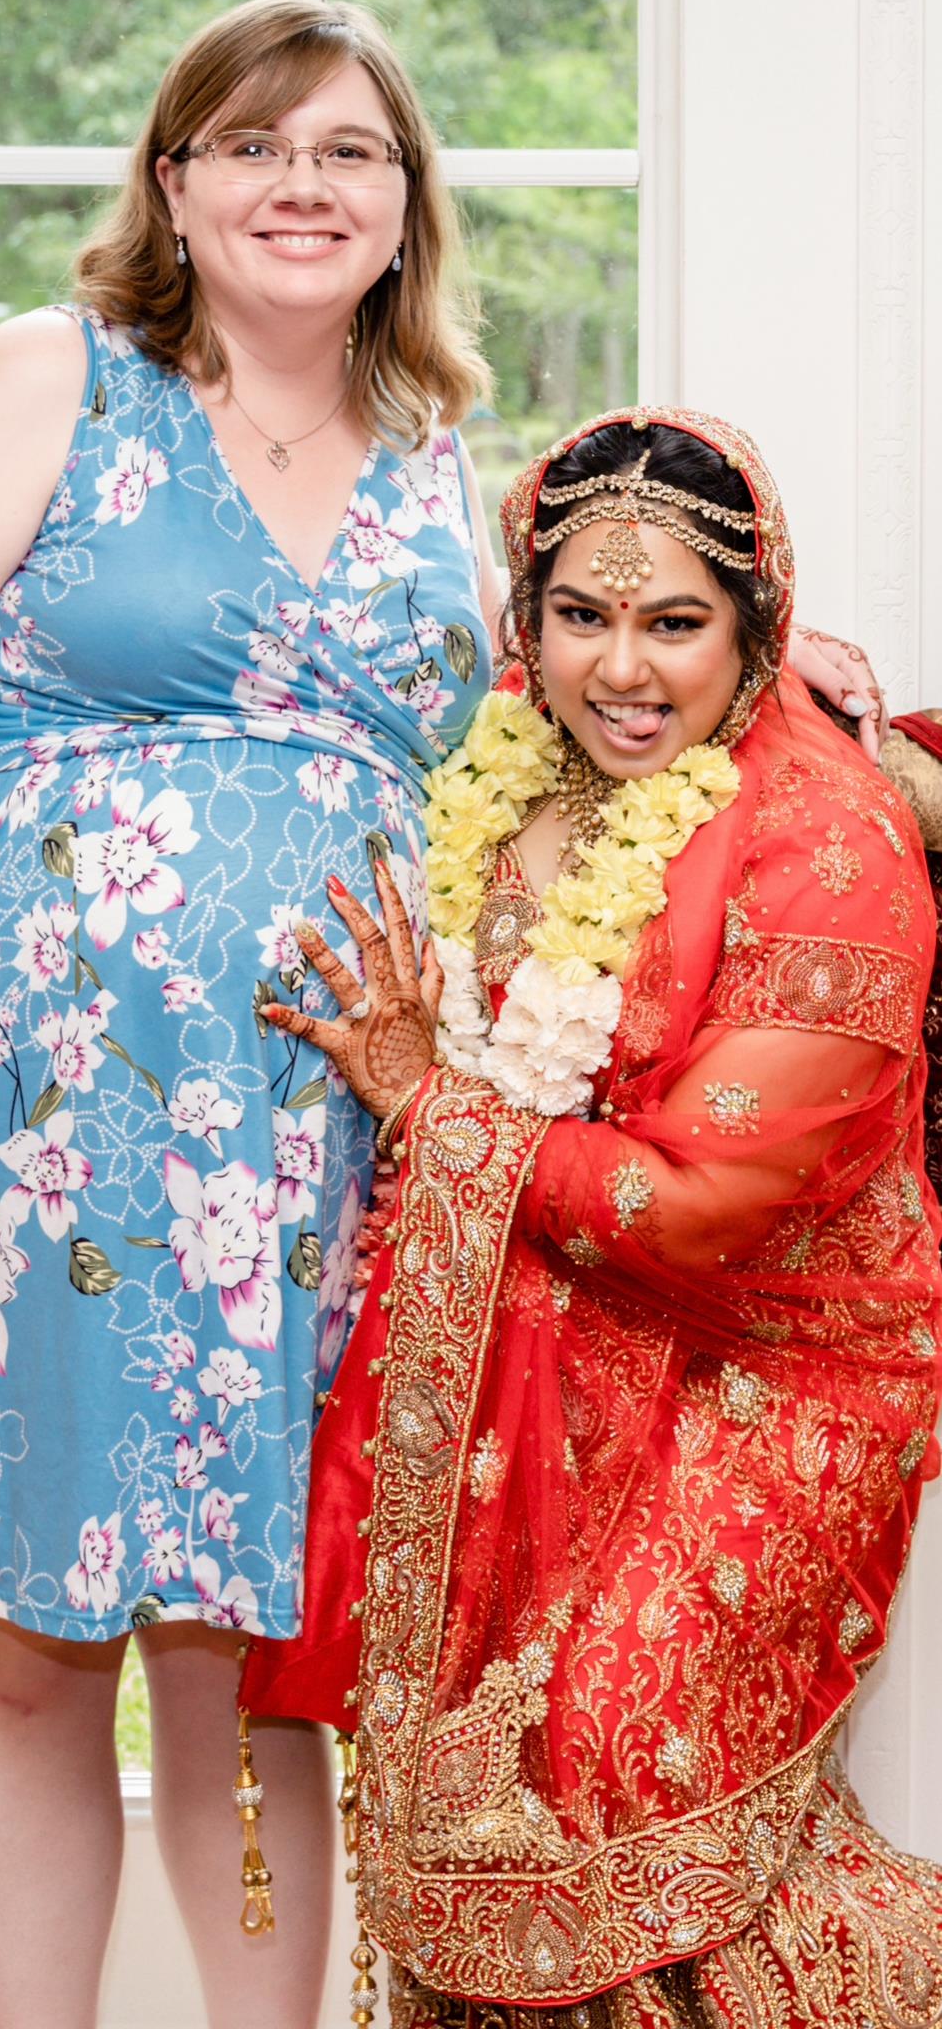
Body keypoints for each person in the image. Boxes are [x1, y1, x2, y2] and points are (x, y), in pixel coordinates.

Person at [0, 0, 881, 2029]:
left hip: (313, 1137)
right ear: (172, 182)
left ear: (403, 206)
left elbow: (600, 664)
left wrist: (798, 671)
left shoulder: (447, 464)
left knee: (254, 1646)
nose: (301, 182)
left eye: (349, 150)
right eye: (254, 142)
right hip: (25, 1115)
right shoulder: (48, 384)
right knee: (16, 1645)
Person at [249, 406, 942, 2027]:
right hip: (543, 1336)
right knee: (487, 1786)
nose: (622, 668)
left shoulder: (830, 846)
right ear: (527, 621)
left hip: (779, 1360)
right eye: (581, 615)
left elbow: (698, 1200)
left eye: (676, 623)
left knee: (619, 1749)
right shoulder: (519, 760)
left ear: (756, 632)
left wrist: (427, 1104)